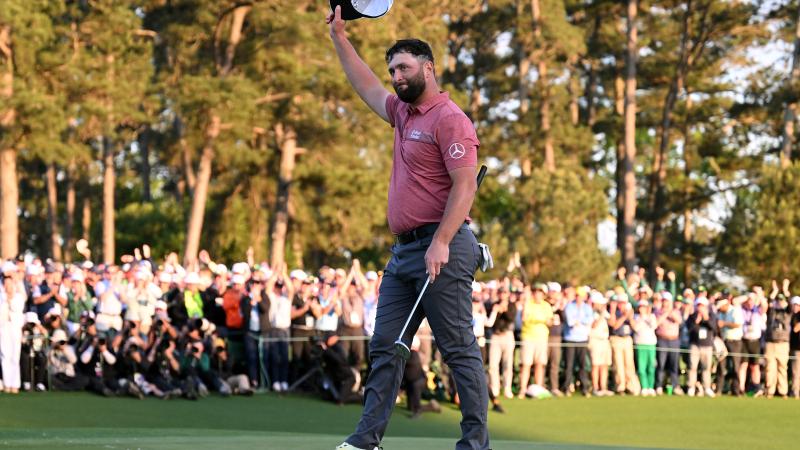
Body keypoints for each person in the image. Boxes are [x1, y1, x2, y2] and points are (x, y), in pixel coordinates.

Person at [328, 7, 488, 449]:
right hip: (403, 254)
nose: (396, 76)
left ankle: (475, 444)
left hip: (445, 246)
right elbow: (366, 86)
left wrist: (439, 241)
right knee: (385, 346)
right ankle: (366, 440)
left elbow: (464, 186)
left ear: (428, 67)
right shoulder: (403, 113)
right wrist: (339, 37)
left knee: (457, 349)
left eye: (404, 67)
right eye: (393, 69)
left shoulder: (450, 118)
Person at [518, 284, 552, 398]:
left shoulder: (546, 306)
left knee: (540, 364)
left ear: (543, 294)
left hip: (542, 338)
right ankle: (523, 390)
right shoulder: (528, 304)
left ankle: (538, 389)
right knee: (526, 364)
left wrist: (542, 321)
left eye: (540, 292)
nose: (537, 294)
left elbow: (550, 321)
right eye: (535, 291)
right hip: (528, 337)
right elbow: (524, 318)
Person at [562, 286, 593, 397]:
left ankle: (584, 388)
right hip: (570, 339)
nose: (579, 298)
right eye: (578, 296)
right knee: (569, 365)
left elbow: (589, 320)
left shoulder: (587, 308)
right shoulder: (569, 306)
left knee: (582, 365)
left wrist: (579, 321)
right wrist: (580, 322)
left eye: (581, 296)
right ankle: (566, 388)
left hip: (582, 339)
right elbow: (570, 321)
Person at [0, 262, 26, 394]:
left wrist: (10, 299)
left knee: (15, 355)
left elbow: (18, 308)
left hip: (15, 327)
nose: (7, 286)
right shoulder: (1, 297)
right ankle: (6, 383)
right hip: (4, 327)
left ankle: (15, 383)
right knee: (5, 354)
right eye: (5, 283)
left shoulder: (18, 297)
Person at [764, 281, 792, 398]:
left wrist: (785, 290)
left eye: (782, 300)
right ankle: (770, 390)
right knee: (770, 368)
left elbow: (790, 304)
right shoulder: (772, 312)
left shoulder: (787, 313)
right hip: (771, 343)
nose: (780, 302)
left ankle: (783, 391)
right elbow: (769, 302)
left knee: (782, 368)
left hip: (783, 344)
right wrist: (774, 291)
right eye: (778, 300)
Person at [687, 297, 718, 397]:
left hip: (707, 346)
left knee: (706, 368)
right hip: (695, 345)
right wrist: (697, 321)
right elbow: (689, 329)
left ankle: (707, 387)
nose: (700, 308)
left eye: (702, 306)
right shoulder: (692, 317)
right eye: (699, 306)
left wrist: (706, 319)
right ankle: (691, 387)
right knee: (692, 367)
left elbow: (714, 328)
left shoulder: (711, 316)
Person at [655, 292, 683, 395]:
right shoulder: (658, 311)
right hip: (662, 340)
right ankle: (658, 386)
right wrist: (665, 313)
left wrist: (670, 312)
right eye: (663, 300)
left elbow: (679, 321)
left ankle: (675, 386)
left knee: (674, 365)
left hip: (674, 341)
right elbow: (657, 323)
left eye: (667, 301)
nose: (665, 303)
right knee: (661, 364)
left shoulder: (676, 311)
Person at [716, 296, 744, 395]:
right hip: (723, 341)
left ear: (726, 304)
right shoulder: (720, 313)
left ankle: (736, 390)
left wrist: (724, 324)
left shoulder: (735, 311)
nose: (719, 308)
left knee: (735, 366)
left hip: (735, 342)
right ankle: (719, 389)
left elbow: (738, 324)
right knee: (721, 365)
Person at [588, 291, 612, 396]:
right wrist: (602, 315)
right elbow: (593, 325)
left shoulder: (603, 313)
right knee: (596, 365)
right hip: (595, 341)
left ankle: (603, 387)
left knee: (604, 365)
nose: (602, 305)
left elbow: (611, 322)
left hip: (605, 341)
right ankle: (596, 388)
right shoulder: (590, 312)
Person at [633, 300, 658, 396]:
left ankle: (651, 387)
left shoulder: (652, 317)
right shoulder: (636, 317)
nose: (642, 309)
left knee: (651, 366)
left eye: (644, 307)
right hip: (640, 344)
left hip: (651, 344)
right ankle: (644, 386)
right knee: (641, 367)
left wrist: (646, 316)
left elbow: (654, 326)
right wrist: (642, 317)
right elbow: (636, 328)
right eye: (640, 307)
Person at [790, 296, 800, 398]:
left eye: (797, 305)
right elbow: (795, 329)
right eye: (794, 305)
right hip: (795, 347)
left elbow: (796, 328)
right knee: (795, 371)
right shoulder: (792, 315)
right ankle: (795, 392)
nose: (795, 307)